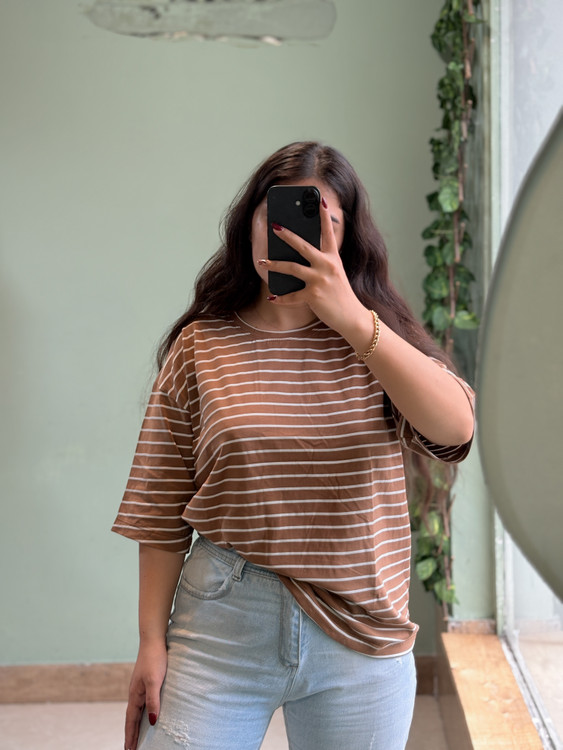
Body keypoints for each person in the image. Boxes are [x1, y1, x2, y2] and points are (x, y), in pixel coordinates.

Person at [112, 141, 475, 750]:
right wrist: (151, 641)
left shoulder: (377, 341)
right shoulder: (201, 346)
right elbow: (160, 506)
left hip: (361, 630)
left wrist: (352, 318)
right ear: (250, 224)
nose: (294, 236)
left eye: (321, 221)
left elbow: (456, 430)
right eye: (275, 217)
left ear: (347, 236)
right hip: (223, 619)